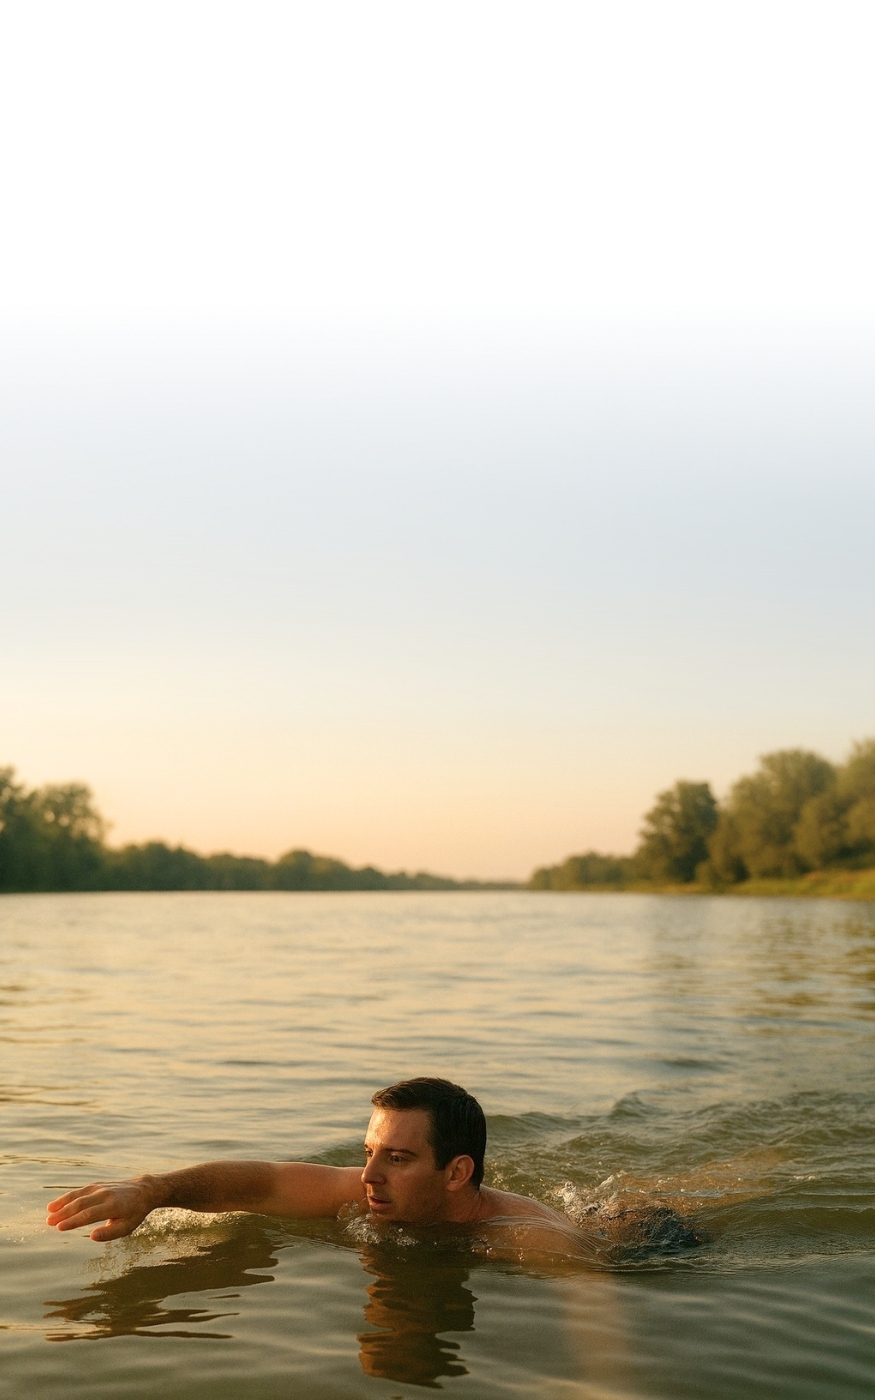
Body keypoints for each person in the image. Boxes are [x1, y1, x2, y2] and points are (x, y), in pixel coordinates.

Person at [46, 1077, 567, 1243]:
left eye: (398, 1159)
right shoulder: (367, 1193)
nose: (368, 1176)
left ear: (456, 1173)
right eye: (370, 1154)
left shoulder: (528, 1240)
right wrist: (151, 1191)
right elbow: (266, 1183)